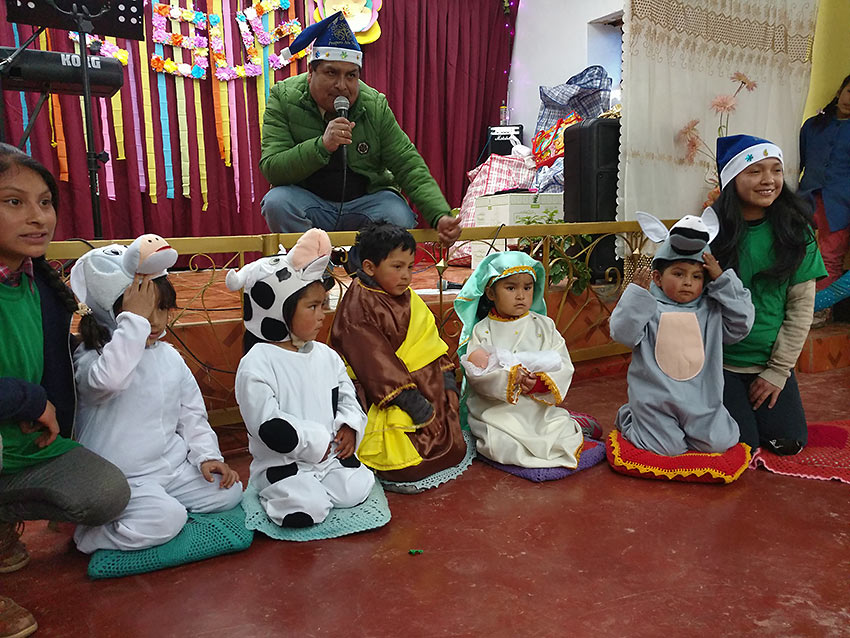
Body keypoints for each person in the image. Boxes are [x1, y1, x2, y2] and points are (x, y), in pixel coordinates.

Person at [0, 144, 129, 636]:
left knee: (106, 493)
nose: (38, 217)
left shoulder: (37, 286)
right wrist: (30, 400)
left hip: (21, 447)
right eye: (14, 202)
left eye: (45, 202)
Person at [68, 235, 242, 553]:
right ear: (114, 312)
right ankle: (90, 537)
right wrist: (133, 324)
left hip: (170, 469)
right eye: (145, 311)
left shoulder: (169, 356)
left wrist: (207, 456)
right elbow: (111, 380)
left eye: (162, 309)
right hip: (123, 479)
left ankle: (158, 508)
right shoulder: (94, 357)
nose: (158, 322)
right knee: (167, 519)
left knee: (226, 491)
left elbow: (191, 414)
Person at [259, 11, 462, 245]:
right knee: (277, 203)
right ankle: (315, 272)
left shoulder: (373, 104)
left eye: (351, 76)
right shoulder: (283, 97)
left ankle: (364, 272)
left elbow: (408, 164)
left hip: (364, 203)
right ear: (310, 73)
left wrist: (440, 214)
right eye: (331, 73)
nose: (341, 86)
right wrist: (322, 145)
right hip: (310, 202)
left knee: (398, 215)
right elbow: (272, 167)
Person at [229, 229, 374, 527]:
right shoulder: (257, 363)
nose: (324, 314)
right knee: (305, 506)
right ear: (277, 311)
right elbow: (267, 425)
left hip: (329, 457)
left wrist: (349, 425)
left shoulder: (325, 354)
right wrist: (317, 441)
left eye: (324, 304)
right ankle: (279, 490)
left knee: (355, 487)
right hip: (285, 463)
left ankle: (323, 482)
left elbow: (347, 395)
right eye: (313, 306)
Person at [710, 135, 827, 455]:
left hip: (769, 364)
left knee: (788, 442)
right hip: (719, 364)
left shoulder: (795, 230)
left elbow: (801, 308)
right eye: (755, 171)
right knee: (740, 445)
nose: (769, 180)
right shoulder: (710, 231)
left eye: (776, 170)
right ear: (732, 179)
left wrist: (777, 371)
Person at [329, 222, 468, 489]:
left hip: (422, 382)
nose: (406, 276)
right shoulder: (358, 308)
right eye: (397, 267)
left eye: (410, 267)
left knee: (451, 438)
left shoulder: (405, 295)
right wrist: (419, 408)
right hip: (383, 392)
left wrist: (447, 381)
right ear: (370, 267)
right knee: (408, 461)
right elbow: (376, 367)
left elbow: (429, 341)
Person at [610, 210, 754, 456]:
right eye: (678, 274)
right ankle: (630, 417)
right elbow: (622, 333)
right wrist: (635, 296)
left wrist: (722, 279)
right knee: (666, 449)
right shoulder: (648, 308)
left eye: (697, 276)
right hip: (656, 403)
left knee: (720, 442)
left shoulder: (711, 310)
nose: (688, 282)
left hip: (702, 403)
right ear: (657, 277)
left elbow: (743, 323)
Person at [453, 251, 586, 468]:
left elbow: (562, 362)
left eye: (527, 287)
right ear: (491, 293)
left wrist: (538, 383)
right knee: (499, 444)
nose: (521, 295)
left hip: (535, 408)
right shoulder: (482, 330)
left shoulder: (544, 326)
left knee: (560, 429)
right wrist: (509, 379)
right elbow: (476, 374)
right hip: (495, 411)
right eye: (511, 288)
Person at [798, 74, 850, 313]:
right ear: (840, 91)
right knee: (796, 251)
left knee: (830, 256)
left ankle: (820, 311)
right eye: (849, 92)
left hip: (840, 204)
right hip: (805, 198)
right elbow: (798, 161)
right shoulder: (813, 125)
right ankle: (795, 307)